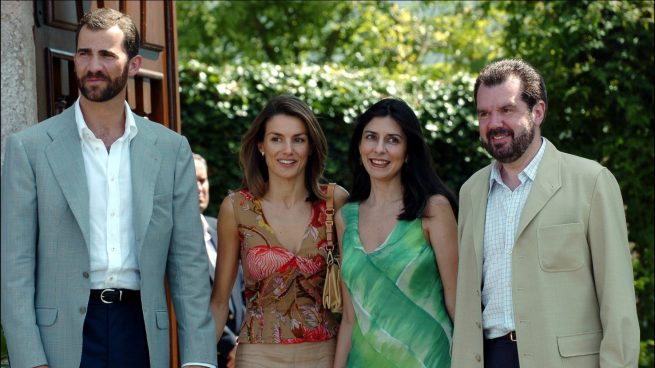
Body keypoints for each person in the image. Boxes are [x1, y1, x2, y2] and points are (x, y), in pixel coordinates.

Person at [0, 8, 216, 368]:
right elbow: (14, 266)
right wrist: (29, 359)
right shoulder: (30, 148)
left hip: (141, 330)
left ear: (133, 65)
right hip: (61, 338)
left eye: (106, 55)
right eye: (84, 53)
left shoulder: (170, 149)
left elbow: (189, 265)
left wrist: (199, 360)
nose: (92, 66)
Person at [451, 59, 640, 368]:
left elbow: (617, 301)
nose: (493, 123)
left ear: (537, 112)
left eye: (506, 110)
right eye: (484, 113)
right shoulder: (471, 192)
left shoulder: (591, 181)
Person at [209, 95, 348, 368]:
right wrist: (198, 361)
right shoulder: (237, 208)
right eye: (276, 139)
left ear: (310, 146)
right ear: (261, 145)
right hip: (258, 356)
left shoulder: (335, 201)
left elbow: (357, 296)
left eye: (299, 139)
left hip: (325, 356)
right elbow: (219, 303)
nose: (288, 150)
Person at [333, 98, 458, 368]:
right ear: (359, 145)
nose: (379, 149)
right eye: (371, 137)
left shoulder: (433, 209)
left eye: (392, 140)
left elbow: (455, 301)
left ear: (409, 151)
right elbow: (349, 318)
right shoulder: (345, 218)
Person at [194, 153, 245, 368]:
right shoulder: (171, 238)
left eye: (202, 180)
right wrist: (230, 346)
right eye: (191, 181)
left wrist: (244, 343)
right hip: (204, 355)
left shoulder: (221, 227)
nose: (199, 188)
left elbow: (244, 288)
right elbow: (195, 302)